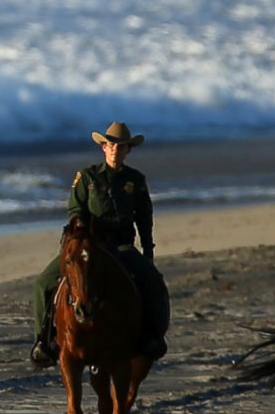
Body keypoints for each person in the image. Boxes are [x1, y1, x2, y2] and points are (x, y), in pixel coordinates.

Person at [29, 121, 170, 367]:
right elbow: (75, 208)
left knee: (153, 281)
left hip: (121, 247)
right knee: (43, 283)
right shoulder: (87, 177)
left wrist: (148, 249)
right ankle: (44, 341)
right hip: (89, 246)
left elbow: (144, 217)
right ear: (103, 148)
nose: (116, 150)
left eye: (122, 146)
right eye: (111, 145)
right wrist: (81, 228)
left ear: (128, 150)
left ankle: (152, 336)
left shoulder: (136, 180)